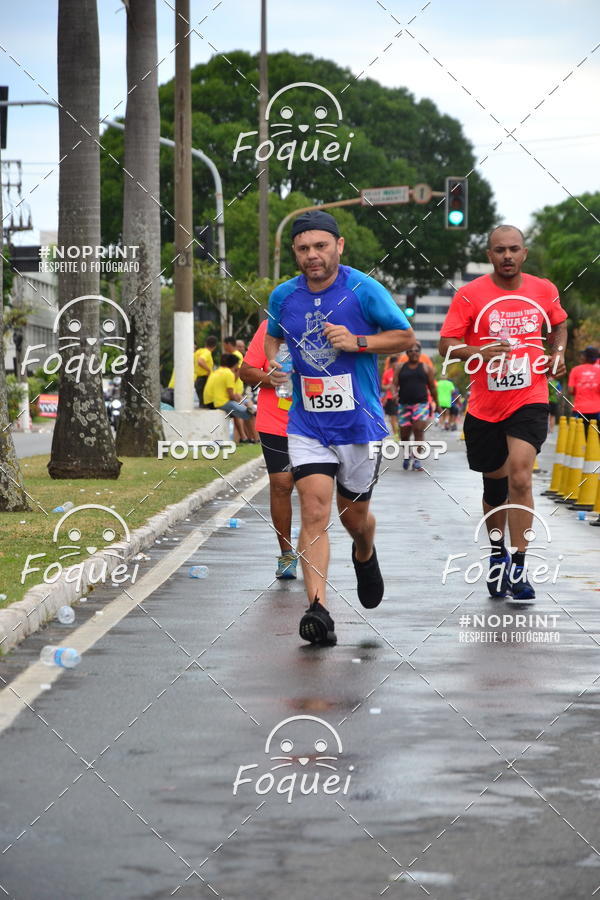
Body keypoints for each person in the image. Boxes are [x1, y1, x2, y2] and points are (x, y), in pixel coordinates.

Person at [265, 209, 414, 645]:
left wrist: (357, 342)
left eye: (320, 246)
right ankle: (318, 612)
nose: (312, 255)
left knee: (355, 518)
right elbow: (274, 334)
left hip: (358, 425)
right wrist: (277, 361)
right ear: (294, 252)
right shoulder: (283, 296)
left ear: (339, 246)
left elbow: (405, 337)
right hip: (308, 423)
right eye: (303, 249)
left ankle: (365, 552)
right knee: (314, 510)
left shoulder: (363, 290)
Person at [439, 224, 568, 606]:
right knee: (494, 488)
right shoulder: (470, 294)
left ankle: (520, 565)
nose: (507, 256)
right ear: (489, 255)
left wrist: (557, 353)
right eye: (499, 250)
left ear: (524, 253)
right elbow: (447, 342)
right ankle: (497, 555)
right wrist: (477, 353)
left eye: (514, 249)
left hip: (529, 397)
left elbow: (559, 323)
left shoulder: (543, 289)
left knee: (522, 476)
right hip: (485, 405)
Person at [239, 319, 298, 580]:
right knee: (282, 484)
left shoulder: (327, 324)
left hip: (318, 420)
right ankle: (286, 552)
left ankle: (314, 549)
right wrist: (271, 378)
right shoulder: (270, 327)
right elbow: (247, 371)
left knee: (313, 489)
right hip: (275, 422)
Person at [393, 342, 439, 471]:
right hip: (403, 404)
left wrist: (438, 405)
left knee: (418, 430)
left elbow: (432, 387)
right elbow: (394, 384)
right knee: (404, 434)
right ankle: (407, 455)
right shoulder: (400, 367)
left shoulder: (426, 368)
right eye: (411, 351)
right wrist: (394, 394)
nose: (414, 353)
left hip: (421, 404)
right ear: (407, 353)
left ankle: (417, 459)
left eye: (416, 351)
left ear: (420, 353)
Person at [203, 353, 252, 438]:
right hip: (219, 402)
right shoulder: (228, 373)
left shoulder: (217, 371)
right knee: (248, 412)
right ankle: (253, 438)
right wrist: (241, 400)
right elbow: (232, 396)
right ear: (236, 364)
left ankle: (246, 437)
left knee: (242, 407)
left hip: (209, 401)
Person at [223, 335, 258, 443]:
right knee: (238, 414)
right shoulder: (234, 354)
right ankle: (244, 437)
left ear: (229, 344)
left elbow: (239, 371)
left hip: (237, 389)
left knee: (243, 413)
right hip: (236, 388)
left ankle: (250, 437)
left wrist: (231, 381)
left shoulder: (236, 355)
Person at [567, 346, 600, 433]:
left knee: (578, 438)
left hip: (579, 409)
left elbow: (570, 390)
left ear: (585, 357)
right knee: (595, 438)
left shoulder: (575, 370)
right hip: (597, 410)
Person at [194, 335, 217, 407]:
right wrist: (209, 370)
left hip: (198, 379)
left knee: (202, 403)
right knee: (205, 403)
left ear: (205, 343)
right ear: (215, 346)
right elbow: (200, 361)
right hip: (204, 379)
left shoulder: (198, 351)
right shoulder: (207, 353)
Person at [381, 355, 399, 436]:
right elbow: (382, 386)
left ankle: (400, 432)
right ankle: (396, 435)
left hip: (401, 398)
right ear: (391, 364)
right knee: (393, 418)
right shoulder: (387, 373)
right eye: (394, 364)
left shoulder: (401, 371)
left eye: (397, 364)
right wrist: (389, 386)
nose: (396, 366)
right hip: (390, 398)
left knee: (400, 418)